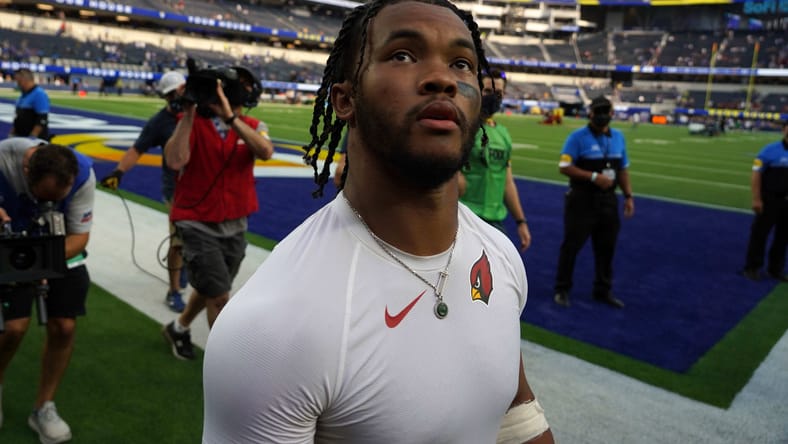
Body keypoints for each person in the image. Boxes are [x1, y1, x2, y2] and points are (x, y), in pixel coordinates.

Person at [202, 2, 554, 443]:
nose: (443, 78)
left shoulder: (499, 256)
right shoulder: (273, 328)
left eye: (462, 63)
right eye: (403, 55)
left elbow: (515, 416)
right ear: (345, 100)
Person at [161, 66, 273, 360]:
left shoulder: (251, 124)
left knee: (215, 287)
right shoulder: (192, 123)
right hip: (196, 221)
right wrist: (188, 112)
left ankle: (179, 327)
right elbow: (175, 161)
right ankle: (225, 363)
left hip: (235, 221)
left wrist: (230, 119)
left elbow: (265, 151)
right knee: (221, 297)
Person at [0, 138, 95, 444]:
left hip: (57, 248)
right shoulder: (4, 160)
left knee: (64, 325)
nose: (52, 203)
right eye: (45, 196)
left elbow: (79, 237)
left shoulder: (82, 175)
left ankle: (44, 405)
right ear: (27, 173)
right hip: (8, 245)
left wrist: (41, 266)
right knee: (12, 329)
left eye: (59, 197)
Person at [99, 71, 189, 313]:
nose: (175, 97)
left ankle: (184, 267)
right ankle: (173, 291)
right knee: (178, 241)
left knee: (196, 240)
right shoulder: (160, 122)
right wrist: (118, 173)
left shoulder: (199, 114)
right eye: (170, 94)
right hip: (176, 189)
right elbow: (137, 149)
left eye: (177, 91)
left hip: (202, 186)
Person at [553, 95, 634, 309]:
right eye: (597, 111)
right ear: (590, 113)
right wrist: (593, 177)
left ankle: (603, 290)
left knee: (606, 248)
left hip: (608, 200)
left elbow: (623, 169)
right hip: (582, 199)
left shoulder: (618, 137)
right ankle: (562, 288)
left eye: (605, 111)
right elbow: (564, 166)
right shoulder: (577, 137)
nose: (601, 116)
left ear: (612, 114)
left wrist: (628, 196)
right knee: (571, 246)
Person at [458, 68, 531, 251]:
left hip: (495, 224)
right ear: (476, 88)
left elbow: (507, 182)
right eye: (488, 91)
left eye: (498, 93)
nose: (494, 97)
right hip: (463, 219)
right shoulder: (460, 128)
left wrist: (520, 221)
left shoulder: (503, 134)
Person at [741, 121, 788, 281]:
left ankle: (775, 269)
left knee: (783, 237)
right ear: (783, 129)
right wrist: (756, 199)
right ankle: (752, 267)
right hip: (770, 200)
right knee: (760, 234)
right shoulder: (769, 150)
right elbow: (756, 174)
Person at [9, 68, 50, 140]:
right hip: (21, 136)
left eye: (18, 80)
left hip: (33, 140)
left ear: (24, 80)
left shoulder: (39, 94)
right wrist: (13, 132)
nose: (17, 83)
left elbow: (42, 118)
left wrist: (33, 137)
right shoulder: (23, 95)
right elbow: (18, 116)